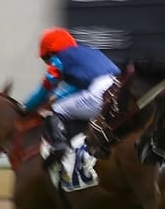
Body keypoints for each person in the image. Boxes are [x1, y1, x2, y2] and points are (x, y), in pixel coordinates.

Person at [23, 28, 120, 164]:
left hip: (99, 92)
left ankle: (60, 146)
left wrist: (26, 107)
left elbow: (44, 89)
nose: (48, 63)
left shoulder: (59, 59)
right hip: (119, 89)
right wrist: (57, 95)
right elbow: (75, 89)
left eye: (46, 58)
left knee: (56, 109)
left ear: (51, 52)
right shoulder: (88, 51)